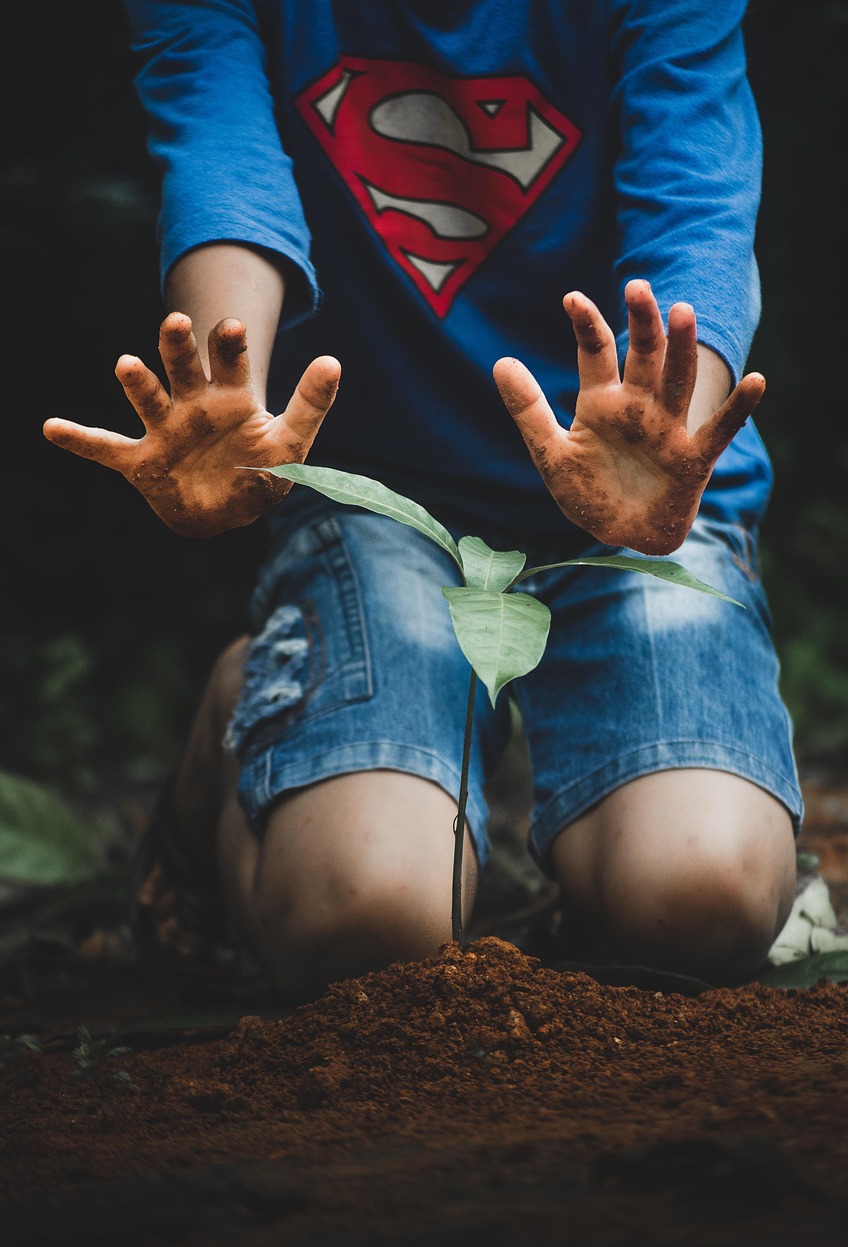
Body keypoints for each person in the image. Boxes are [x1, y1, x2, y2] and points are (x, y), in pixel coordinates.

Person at [43, 0, 803, 1000]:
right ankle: (239, 715)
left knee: (701, 897)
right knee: (365, 920)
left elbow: (692, 200)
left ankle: (631, 824)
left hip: (636, 488)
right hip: (378, 496)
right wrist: (231, 384)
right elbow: (225, 166)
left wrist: (672, 429)